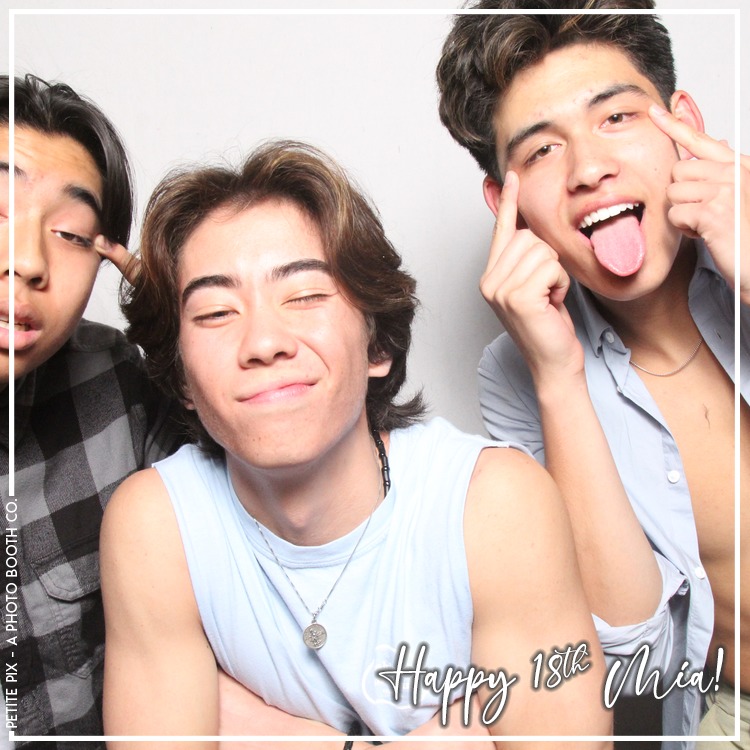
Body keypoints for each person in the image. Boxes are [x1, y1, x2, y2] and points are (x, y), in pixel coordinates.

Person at [100, 139, 612, 747]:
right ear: (181, 376)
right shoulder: (157, 524)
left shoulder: (493, 504)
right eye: (215, 312)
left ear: (378, 345)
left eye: (305, 296)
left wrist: (281, 736)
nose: (263, 342)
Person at [436, 1, 748, 748]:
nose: (588, 169)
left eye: (616, 118)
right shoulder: (518, 372)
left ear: (684, 125)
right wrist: (558, 378)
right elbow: (634, 658)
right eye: (542, 150)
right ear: (505, 204)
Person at [0, 74, 180, 744]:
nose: (27, 261)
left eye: (71, 234)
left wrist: (182, 334)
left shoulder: (113, 381)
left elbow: (264, 526)